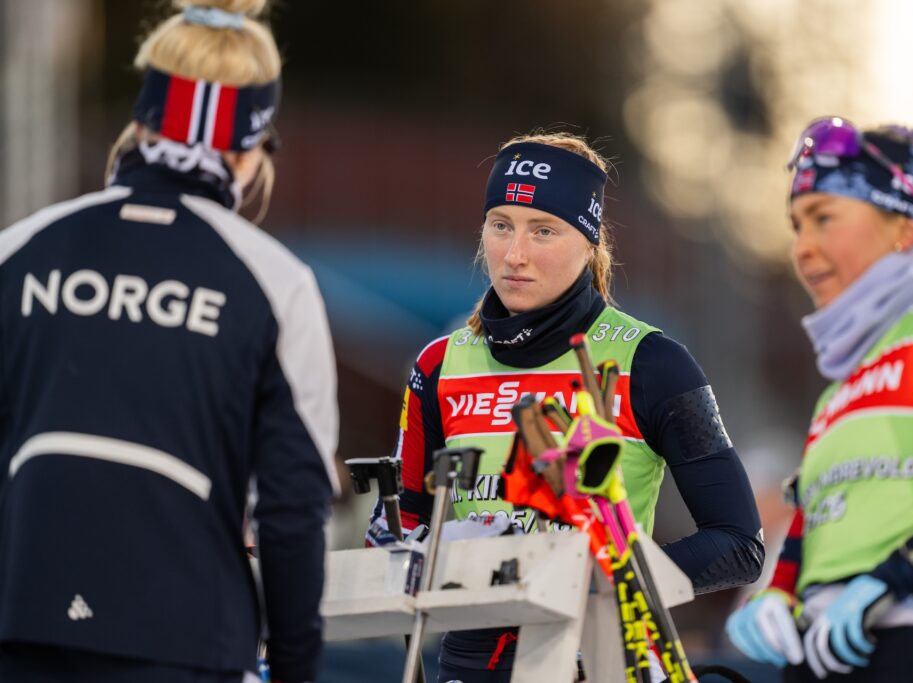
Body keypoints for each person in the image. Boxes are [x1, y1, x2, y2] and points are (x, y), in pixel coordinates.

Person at [0, 2, 339, 682]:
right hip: (186, 640)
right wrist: (298, 668)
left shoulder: (19, 250)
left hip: (20, 626)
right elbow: (292, 510)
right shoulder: (276, 282)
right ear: (251, 145)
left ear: (143, 118)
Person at [367, 131, 765, 682]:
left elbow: (740, 544)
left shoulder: (653, 362)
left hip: (597, 654)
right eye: (501, 225)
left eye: (544, 230)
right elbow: (398, 526)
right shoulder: (438, 365)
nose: (515, 254)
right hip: (471, 663)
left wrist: (610, 580)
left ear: (589, 241)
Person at [725, 117, 913, 682]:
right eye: (795, 225)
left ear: (904, 228)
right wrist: (775, 592)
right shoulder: (843, 377)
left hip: (912, 652)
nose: (802, 248)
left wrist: (903, 574)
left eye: (824, 218)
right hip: (811, 659)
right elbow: (820, 513)